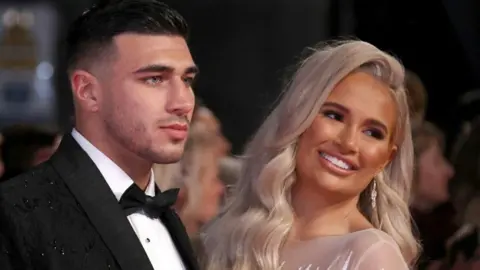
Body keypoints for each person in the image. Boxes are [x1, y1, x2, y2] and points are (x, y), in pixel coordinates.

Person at [0, 1, 199, 270]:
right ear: (88, 91)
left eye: (186, 80)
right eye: (154, 79)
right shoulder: (13, 213)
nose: (183, 102)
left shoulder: (169, 218)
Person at [203, 40, 419, 270]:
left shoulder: (372, 254)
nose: (348, 143)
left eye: (372, 132)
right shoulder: (237, 234)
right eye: (334, 116)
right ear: (298, 117)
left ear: (387, 158)